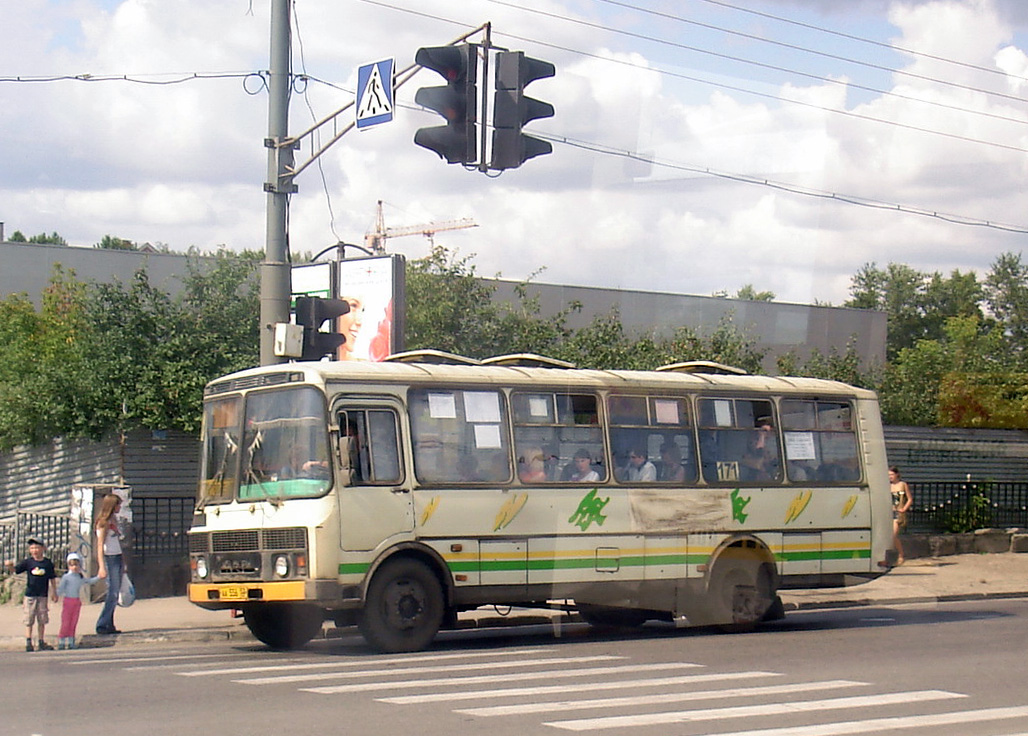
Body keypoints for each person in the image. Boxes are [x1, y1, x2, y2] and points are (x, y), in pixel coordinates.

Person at [11, 538, 58, 651]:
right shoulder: (28, 562)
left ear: (42, 548)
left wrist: (54, 592)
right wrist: (9, 566)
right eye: (32, 548)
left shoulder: (47, 563)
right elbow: (15, 570)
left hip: (42, 595)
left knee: (42, 619)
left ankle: (41, 641)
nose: (34, 550)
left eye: (37, 547)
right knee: (29, 618)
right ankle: (28, 641)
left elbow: (52, 578)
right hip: (30, 595)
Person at [95, 493, 126, 635]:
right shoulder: (104, 522)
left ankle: (109, 624)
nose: (120, 507)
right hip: (109, 558)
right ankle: (102, 624)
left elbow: (117, 542)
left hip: (117, 556)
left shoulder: (114, 520)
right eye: (118, 505)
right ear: (112, 506)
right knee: (112, 593)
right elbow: (100, 545)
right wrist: (101, 566)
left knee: (116, 592)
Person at [57, 552, 99, 649]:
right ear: (68, 566)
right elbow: (61, 588)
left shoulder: (79, 577)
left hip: (76, 602)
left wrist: (98, 577)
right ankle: (62, 640)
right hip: (68, 601)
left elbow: (89, 581)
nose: (74, 567)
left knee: (73, 622)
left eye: (76, 564)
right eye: (72, 565)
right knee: (66, 622)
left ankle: (71, 640)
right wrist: (55, 595)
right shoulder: (66, 577)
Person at [890, 466, 913, 565]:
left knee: (894, 534)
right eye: (888, 475)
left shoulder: (902, 485)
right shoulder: (888, 486)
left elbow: (909, 499)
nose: (890, 477)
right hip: (889, 511)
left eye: (891, 474)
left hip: (898, 512)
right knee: (888, 536)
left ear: (897, 474)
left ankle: (901, 555)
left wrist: (904, 509)